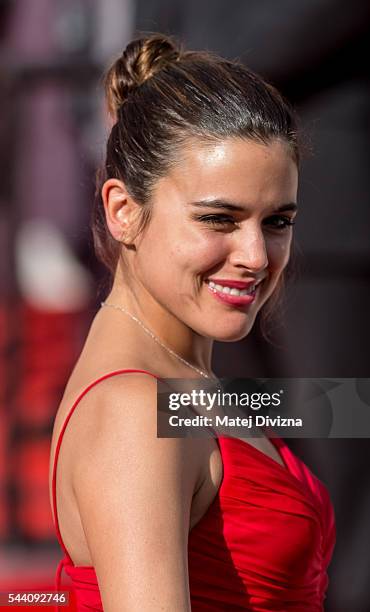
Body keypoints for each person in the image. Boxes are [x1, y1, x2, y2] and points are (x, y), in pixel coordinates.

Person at [49, 33, 335, 611]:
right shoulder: (137, 411)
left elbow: (337, 407)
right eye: (218, 219)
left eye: (278, 221)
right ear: (123, 212)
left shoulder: (181, 380)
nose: (256, 255)